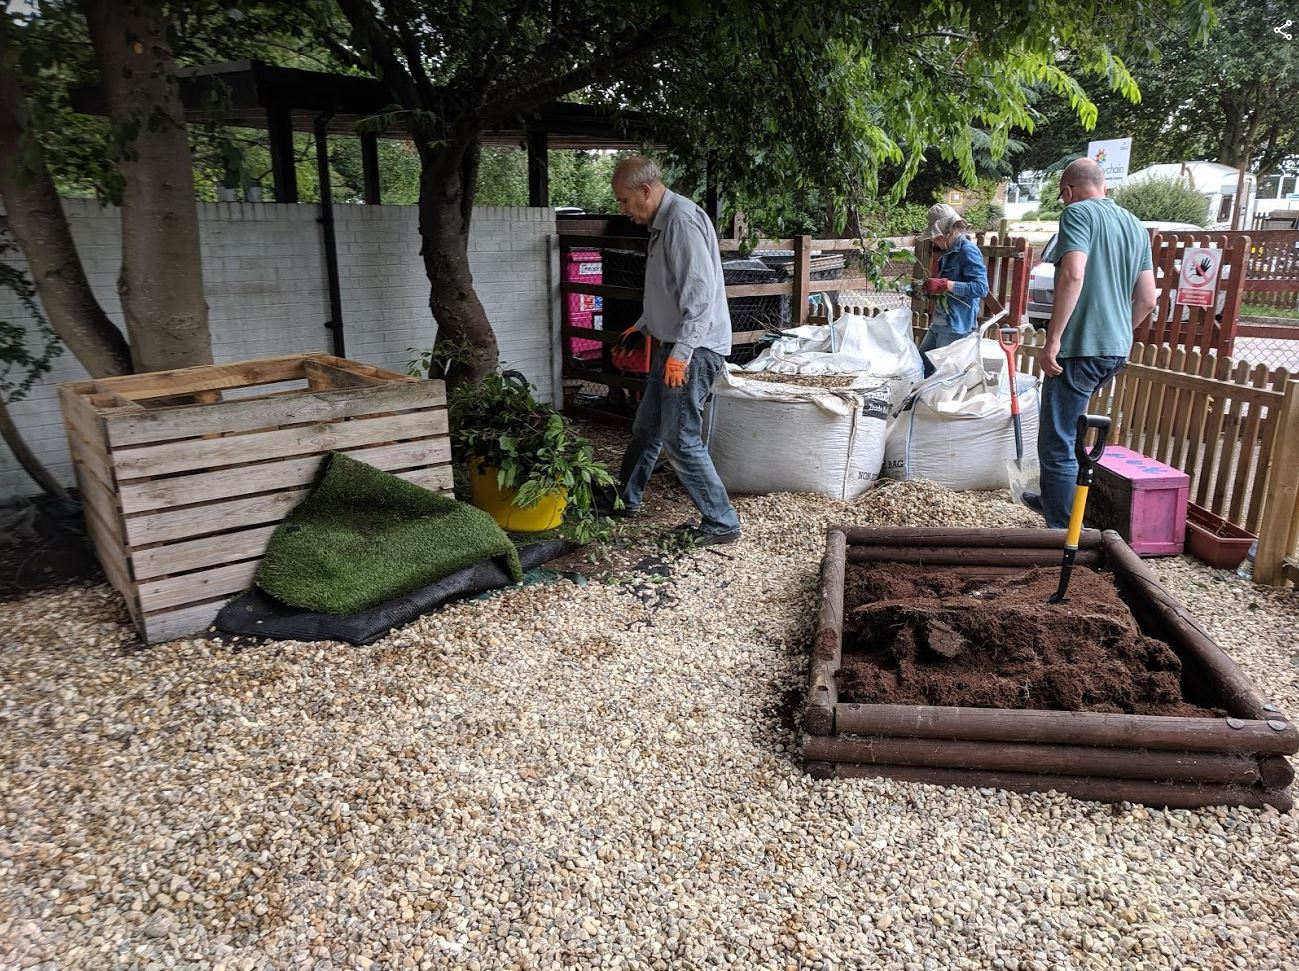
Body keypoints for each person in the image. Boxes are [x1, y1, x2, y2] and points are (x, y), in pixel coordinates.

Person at [599, 157, 741, 546]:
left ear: (646, 190)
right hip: (677, 344)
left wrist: (681, 355)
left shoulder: (680, 221)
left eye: (625, 201)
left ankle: (721, 522)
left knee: (680, 438)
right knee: (647, 428)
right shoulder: (663, 223)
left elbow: (699, 297)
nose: (623, 210)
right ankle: (622, 498)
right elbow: (669, 290)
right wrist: (642, 325)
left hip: (693, 350)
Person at [1035, 158, 1157, 528]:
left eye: (1062, 196)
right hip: (1114, 349)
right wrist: (1119, 330)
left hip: (1079, 348)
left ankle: (1061, 532)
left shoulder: (1077, 215)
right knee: (1070, 430)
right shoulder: (1135, 226)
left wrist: (1053, 339)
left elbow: (1073, 273)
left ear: (1068, 191)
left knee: (1057, 442)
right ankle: (1055, 499)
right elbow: (1149, 298)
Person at [916, 203, 989, 377]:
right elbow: (945, 289)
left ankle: (937, 405)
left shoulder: (967, 251)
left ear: (948, 230)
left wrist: (947, 285)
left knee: (942, 377)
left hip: (955, 328)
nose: (933, 240)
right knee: (921, 366)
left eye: (936, 235)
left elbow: (981, 288)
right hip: (939, 324)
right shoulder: (948, 252)